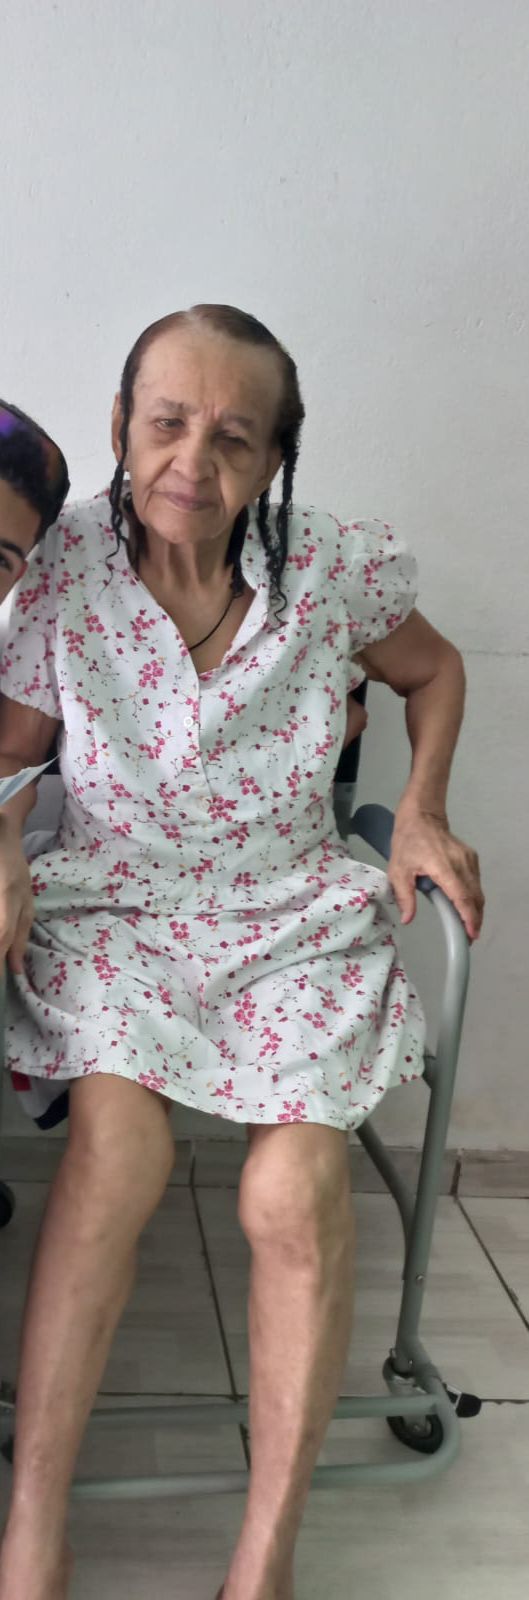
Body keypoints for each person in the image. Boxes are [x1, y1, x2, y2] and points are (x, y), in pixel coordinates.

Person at [0, 307, 484, 1600]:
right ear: (120, 424)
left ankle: (263, 1561)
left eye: (234, 437)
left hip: (291, 912)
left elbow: (435, 673)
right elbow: (11, 752)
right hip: (116, 906)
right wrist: (4, 846)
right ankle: (32, 1534)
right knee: (119, 1151)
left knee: (290, 1193)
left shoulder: (331, 567)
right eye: (166, 423)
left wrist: (420, 809)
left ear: (275, 456)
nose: (193, 463)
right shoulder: (63, 567)